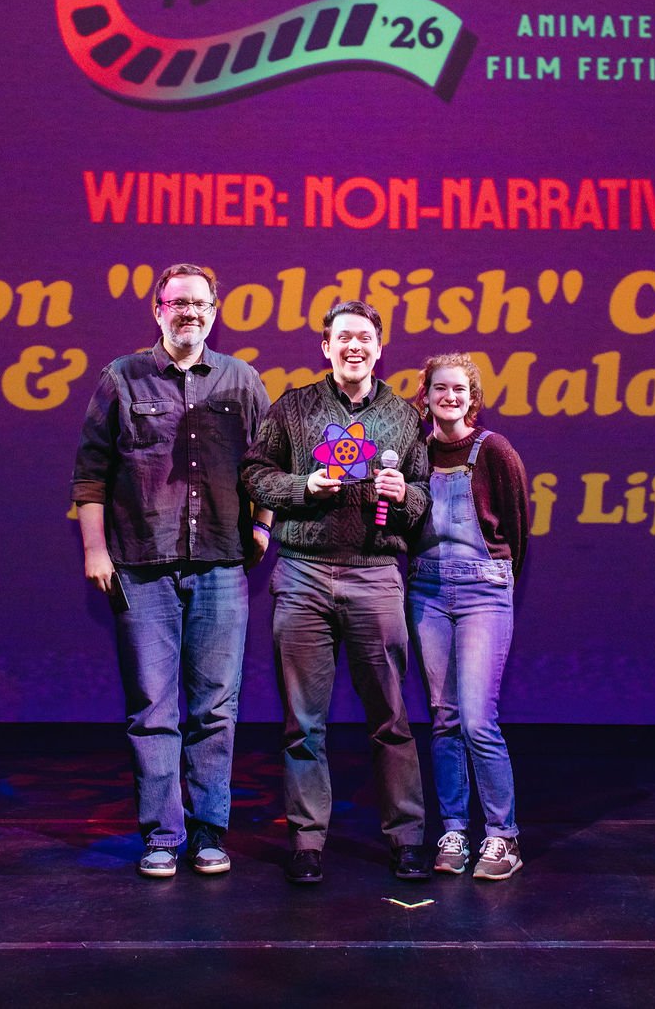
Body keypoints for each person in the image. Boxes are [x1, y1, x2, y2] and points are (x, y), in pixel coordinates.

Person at [71, 263, 271, 878]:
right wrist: (94, 550)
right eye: (177, 302)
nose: (189, 312)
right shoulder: (121, 378)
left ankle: (210, 833)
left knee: (215, 707)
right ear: (157, 309)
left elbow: (268, 463)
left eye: (200, 303)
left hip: (219, 565)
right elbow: (90, 475)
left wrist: (262, 525)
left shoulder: (242, 381)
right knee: (153, 709)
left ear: (216, 310)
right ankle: (163, 835)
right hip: (141, 565)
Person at [241, 299, 432, 884]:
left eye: (364, 338)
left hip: (375, 573)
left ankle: (405, 838)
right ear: (325, 347)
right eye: (342, 337)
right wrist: (304, 485)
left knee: (391, 717)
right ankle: (307, 841)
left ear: (380, 348)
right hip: (302, 572)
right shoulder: (293, 406)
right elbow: (253, 472)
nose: (354, 347)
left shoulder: (404, 416)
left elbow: (425, 498)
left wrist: (406, 497)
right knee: (304, 721)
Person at [410, 352, 531, 880]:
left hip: (483, 590)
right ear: (427, 395)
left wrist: (495, 580)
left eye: (459, 390)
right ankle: (455, 830)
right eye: (440, 389)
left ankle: (503, 837)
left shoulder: (494, 450)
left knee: (480, 719)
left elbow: (517, 530)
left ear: (473, 398)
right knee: (445, 718)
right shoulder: (413, 451)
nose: (450, 398)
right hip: (427, 590)